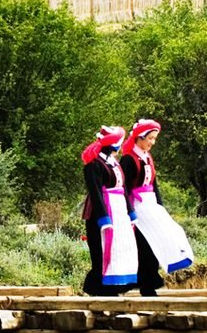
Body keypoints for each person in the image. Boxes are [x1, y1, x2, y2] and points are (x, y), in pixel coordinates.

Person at [119, 119, 194, 296]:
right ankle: (146, 284)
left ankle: (153, 279)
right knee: (145, 244)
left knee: (166, 235)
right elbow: (125, 188)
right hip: (137, 206)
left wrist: (160, 207)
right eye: (150, 138)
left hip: (150, 204)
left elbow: (154, 184)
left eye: (154, 139)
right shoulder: (129, 159)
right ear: (140, 137)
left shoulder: (147, 157)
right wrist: (130, 212)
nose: (152, 142)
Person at [81, 125, 139, 296]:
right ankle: (99, 286)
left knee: (118, 248)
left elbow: (123, 189)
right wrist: (104, 218)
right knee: (102, 248)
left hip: (119, 209)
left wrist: (130, 212)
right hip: (103, 210)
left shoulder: (113, 162)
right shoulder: (94, 165)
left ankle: (115, 285)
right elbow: (96, 192)